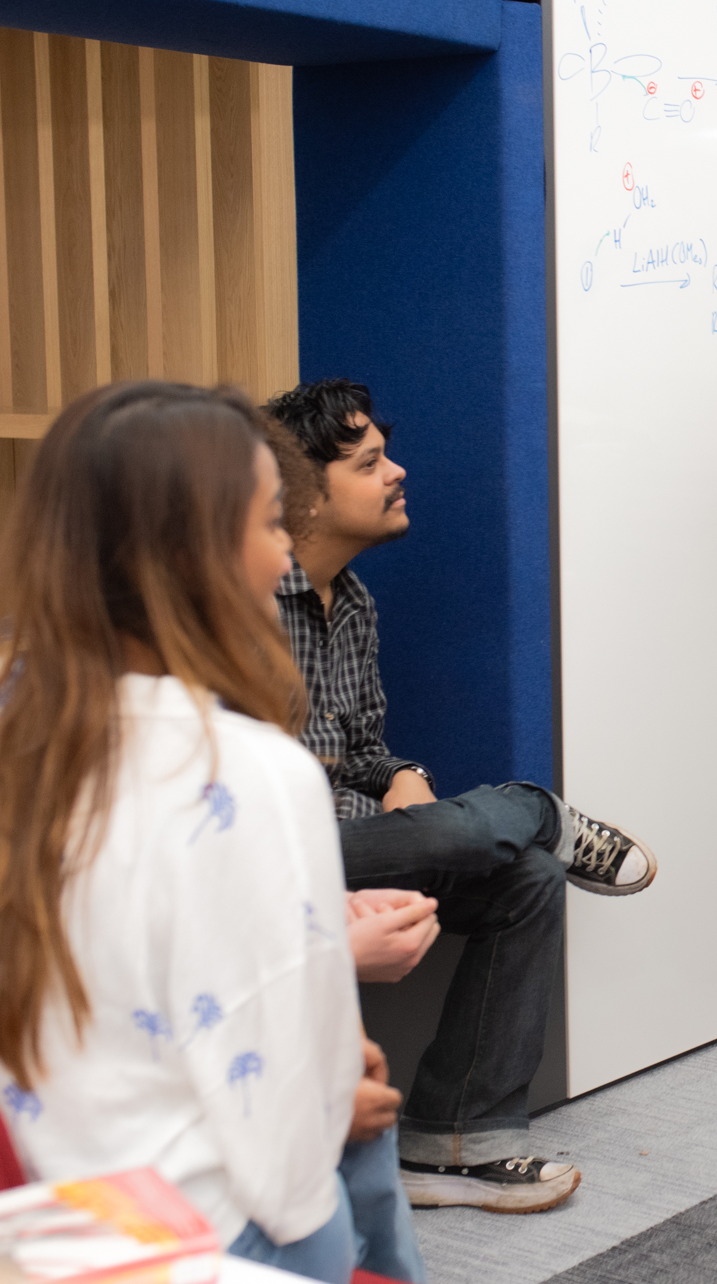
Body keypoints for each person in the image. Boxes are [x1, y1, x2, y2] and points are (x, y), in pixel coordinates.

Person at [0, 381, 384, 1283]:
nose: (285, 551)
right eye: (267, 524)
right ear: (195, 557)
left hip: (59, 1205)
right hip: (211, 1227)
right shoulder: (253, 772)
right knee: (366, 1177)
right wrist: (343, 1093)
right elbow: (287, 1144)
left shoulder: (23, 733)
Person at [265, 378, 658, 1215]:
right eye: (371, 463)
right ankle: (539, 811)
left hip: (352, 841)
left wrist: (402, 777)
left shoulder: (355, 604)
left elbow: (358, 751)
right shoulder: (244, 605)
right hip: (272, 852)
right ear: (304, 494)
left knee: (527, 879)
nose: (398, 472)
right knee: (486, 836)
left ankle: (454, 1145)